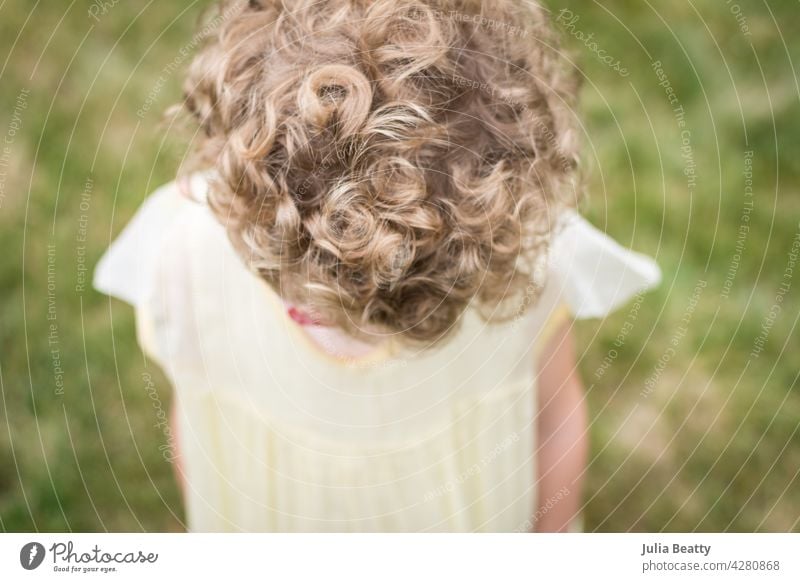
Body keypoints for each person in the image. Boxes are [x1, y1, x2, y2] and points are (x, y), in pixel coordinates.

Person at [94, 0, 660, 532]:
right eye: (305, 285)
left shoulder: (530, 265)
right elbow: (197, 415)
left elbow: (554, 415)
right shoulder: (188, 254)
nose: (345, 321)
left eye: (385, 288)